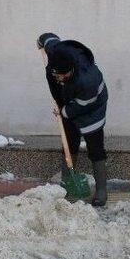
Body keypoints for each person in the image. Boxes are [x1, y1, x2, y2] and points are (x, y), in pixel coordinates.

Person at [37, 32, 109, 207]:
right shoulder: (55, 54)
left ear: (72, 70)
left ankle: (101, 190)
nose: (60, 79)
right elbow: (48, 38)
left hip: (92, 106)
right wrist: (40, 41)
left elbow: (82, 105)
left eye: (64, 76)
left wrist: (64, 111)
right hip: (69, 102)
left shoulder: (88, 80)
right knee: (69, 141)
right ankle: (68, 182)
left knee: (95, 146)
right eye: (57, 75)